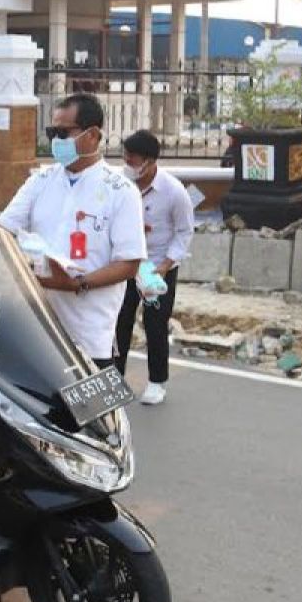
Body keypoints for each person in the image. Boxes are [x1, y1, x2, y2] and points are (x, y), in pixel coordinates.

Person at [0, 93, 146, 366]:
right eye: (52, 132)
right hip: (35, 325)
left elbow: (129, 264)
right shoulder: (42, 180)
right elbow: (1, 229)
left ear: (93, 135)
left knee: (85, 408)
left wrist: (77, 284)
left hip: (88, 333)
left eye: (63, 132)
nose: (56, 141)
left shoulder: (121, 191)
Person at [113, 130, 194, 406]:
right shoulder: (122, 184)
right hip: (126, 264)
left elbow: (184, 233)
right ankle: (114, 379)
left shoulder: (174, 192)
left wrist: (165, 266)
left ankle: (157, 382)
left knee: (155, 323)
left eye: (132, 159)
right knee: (119, 320)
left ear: (149, 161)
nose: (127, 163)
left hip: (158, 266)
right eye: (125, 157)